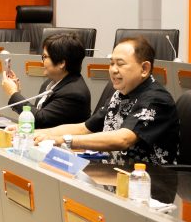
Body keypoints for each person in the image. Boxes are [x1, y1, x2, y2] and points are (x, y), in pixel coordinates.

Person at [31, 36, 179, 168]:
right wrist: (35, 133)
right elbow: (84, 128)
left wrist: (62, 140)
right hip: (115, 170)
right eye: (111, 63)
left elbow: (123, 139)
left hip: (148, 180)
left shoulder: (156, 99)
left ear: (144, 68)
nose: (113, 70)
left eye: (120, 64)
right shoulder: (120, 93)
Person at [0, 32, 91, 128]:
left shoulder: (74, 94)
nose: (41, 61)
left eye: (45, 57)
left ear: (61, 63)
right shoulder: (50, 83)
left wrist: (13, 93)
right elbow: (39, 114)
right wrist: (16, 92)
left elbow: (40, 121)